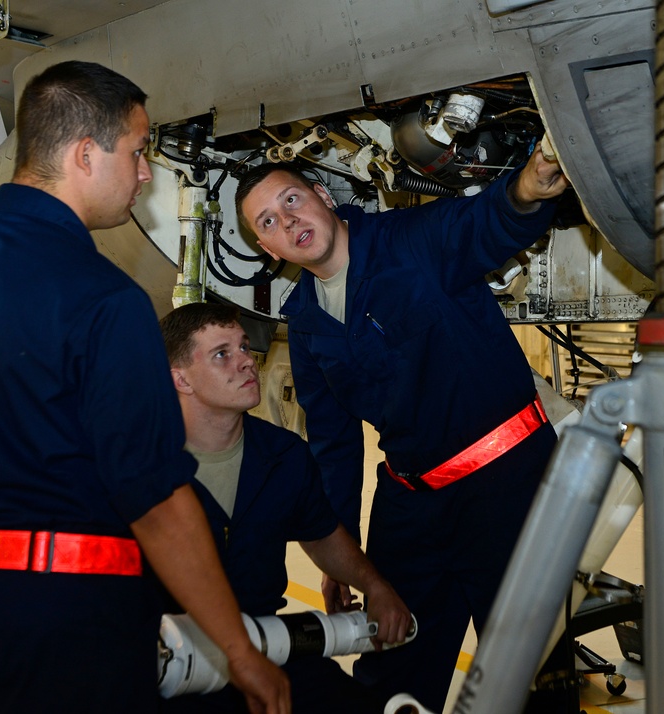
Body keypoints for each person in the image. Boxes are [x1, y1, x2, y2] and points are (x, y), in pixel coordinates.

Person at [0, 61, 288, 714]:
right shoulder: (104, 299)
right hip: (66, 629)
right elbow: (155, 500)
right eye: (139, 150)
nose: (146, 172)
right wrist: (239, 649)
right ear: (85, 155)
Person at [234, 148, 570, 710]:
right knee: (392, 671)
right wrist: (338, 554)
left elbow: (480, 225)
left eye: (291, 199)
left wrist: (525, 193)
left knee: (528, 674)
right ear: (267, 249)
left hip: (508, 487)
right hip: (411, 506)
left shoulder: (413, 239)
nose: (287, 221)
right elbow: (334, 445)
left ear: (322, 194)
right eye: (268, 221)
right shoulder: (308, 323)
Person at [157, 301, 413, 714]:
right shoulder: (142, 465)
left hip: (263, 642)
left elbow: (322, 534)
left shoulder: (283, 455)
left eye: (244, 348)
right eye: (223, 354)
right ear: (180, 379)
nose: (245, 362)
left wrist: (376, 586)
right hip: (171, 660)